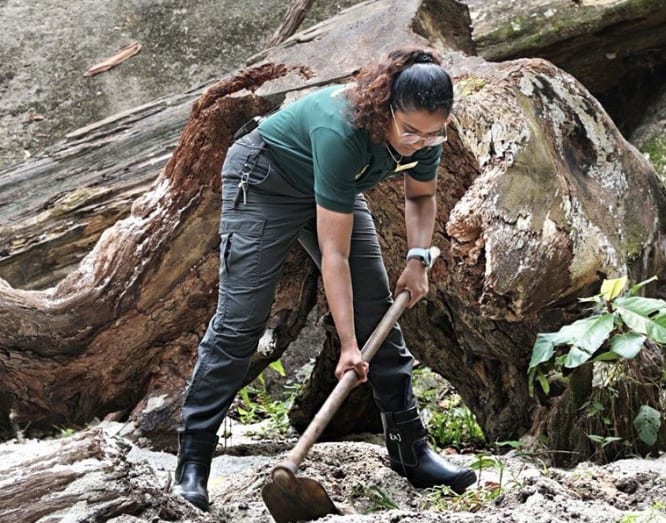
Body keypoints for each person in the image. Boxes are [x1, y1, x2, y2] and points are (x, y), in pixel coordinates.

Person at [173, 47, 477, 512]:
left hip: (333, 187)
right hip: (266, 181)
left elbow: (420, 197)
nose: (419, 142)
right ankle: (192, 464)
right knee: (241, 323)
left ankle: (411, 452)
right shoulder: (343, 131)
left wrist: (417, 259)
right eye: (410, 131)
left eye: (431, 134)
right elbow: (332, 254)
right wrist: (349, 346)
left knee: (380, 311)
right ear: (386, 107)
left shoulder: (427, 133)